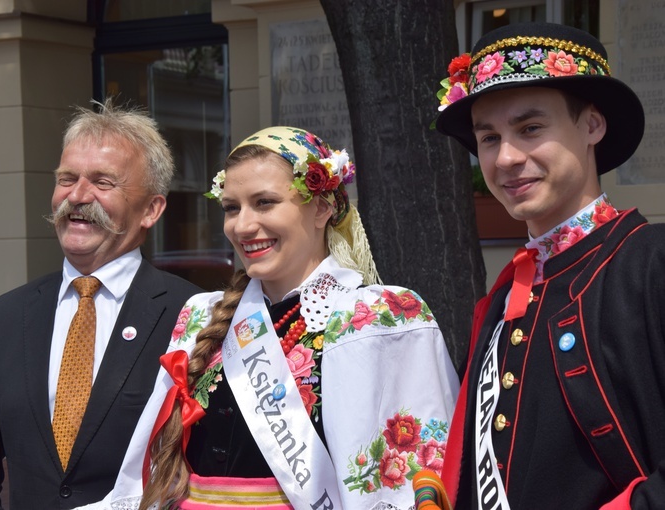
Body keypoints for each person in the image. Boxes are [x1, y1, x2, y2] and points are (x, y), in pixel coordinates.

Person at [75, 126, 460, 510]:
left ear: (323, 207)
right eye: (231, 207)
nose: (242, 226)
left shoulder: (376, 316)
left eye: (264, 202)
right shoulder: (202, 314)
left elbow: (422, 467)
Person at [434, 22, 665, 509]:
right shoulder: (504, 296)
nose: (506, 158)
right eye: (489, 138)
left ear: (592, 126)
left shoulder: (651, 264)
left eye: (530, 128)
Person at [0, 99, 202, 509]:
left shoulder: (192, 314)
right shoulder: (5, 317)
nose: (78, 195)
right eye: (67, 178)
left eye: (103, 182)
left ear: (152, 208)